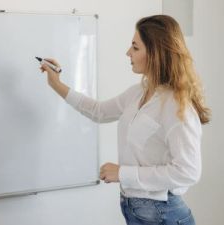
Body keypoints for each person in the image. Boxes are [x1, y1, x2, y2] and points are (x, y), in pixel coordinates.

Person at [39, 15, 211, 225]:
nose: (128, 53)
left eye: (135, 47)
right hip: (136, 209)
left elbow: (188, 172)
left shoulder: (176, 105)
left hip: (164, 214)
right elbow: (99, 111)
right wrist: (56, 84)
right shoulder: (138, 93)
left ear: (155, 53)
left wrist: (123, 173)